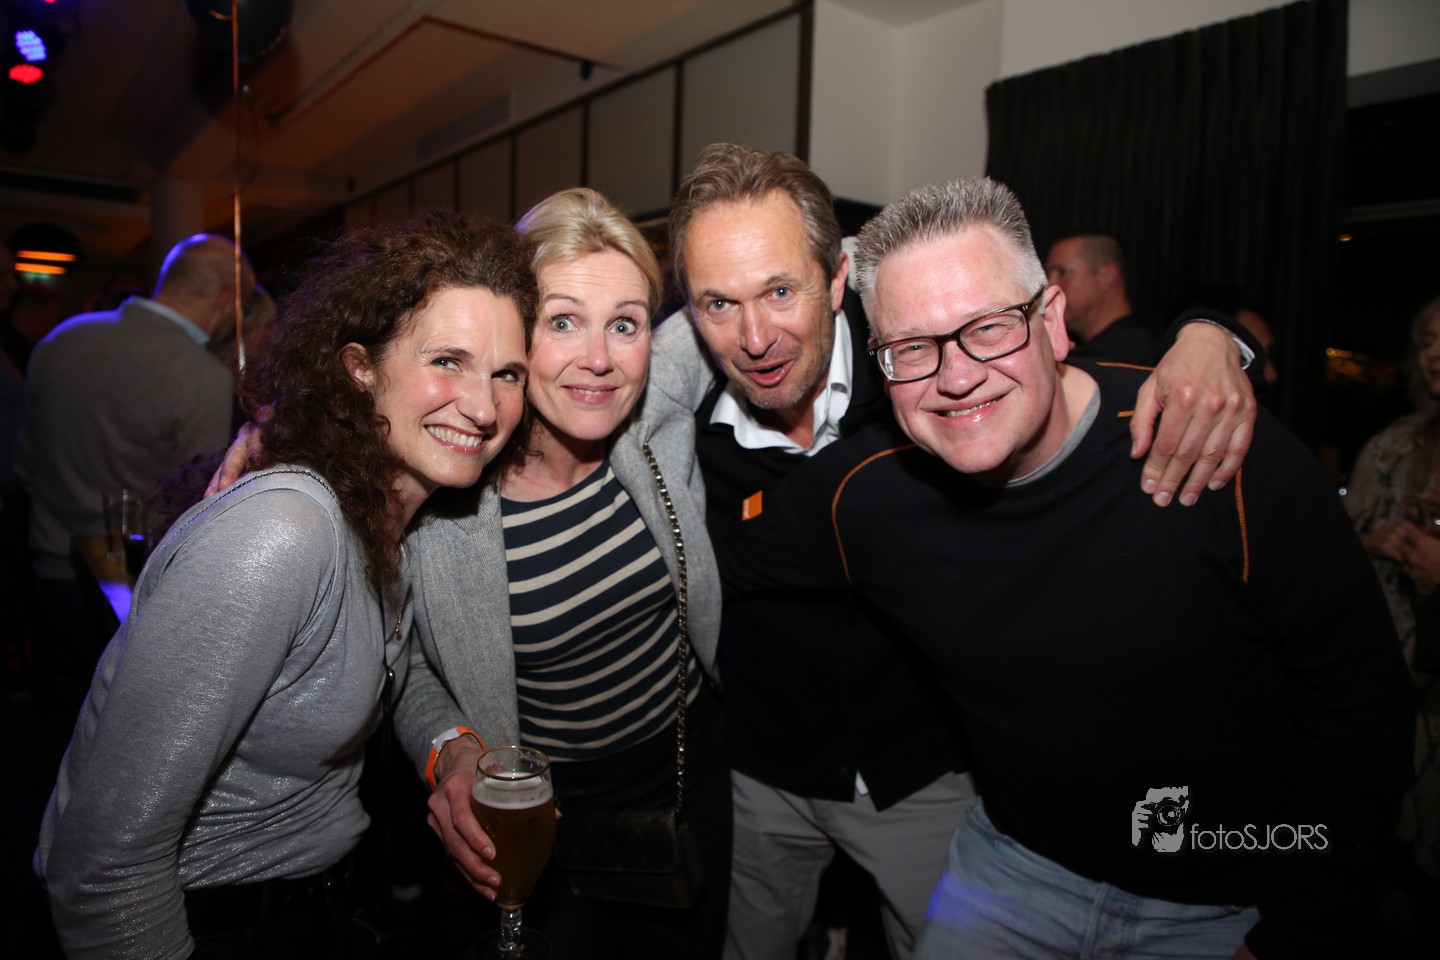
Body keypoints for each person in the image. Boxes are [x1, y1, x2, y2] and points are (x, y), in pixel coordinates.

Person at [713, 176, 1413, 959]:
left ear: (1052, 321)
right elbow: (701, 564)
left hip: (1227, 901)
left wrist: (1297, 933)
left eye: (987, 328)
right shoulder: (868, 493)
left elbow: (1363, 711)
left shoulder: (1210, 451)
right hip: (1013, 870)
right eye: (912, 347)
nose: (956, 376)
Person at [648, 143, 1262, 960]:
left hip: (927, 773)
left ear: (837, 278)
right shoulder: (677, 437)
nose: (756, 335)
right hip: (767, 772)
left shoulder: (926, 371)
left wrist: (1210, 335)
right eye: (719, 304)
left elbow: (1047, 369)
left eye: (781, 291)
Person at [33, 210, 535, 959]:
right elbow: (103, 868)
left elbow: (388, 674)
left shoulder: (388, 516)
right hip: (205, 929)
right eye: (447, 360)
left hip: (314, 910)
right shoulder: (285, 531)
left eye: (506, 374)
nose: (485, 406)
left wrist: (454, 750)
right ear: (361, 368)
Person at [395, 188, 729, 959]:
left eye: (625, 323)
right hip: (543, 811)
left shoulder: (654, 411)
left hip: (688, 774)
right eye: (563, 321)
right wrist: (452, 751)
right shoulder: (442, 490)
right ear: (513, 331)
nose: (599, 359)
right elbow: (403, 665)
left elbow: (791, 274)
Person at [15, 234, 251, 669]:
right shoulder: (200, 376)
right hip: (131, 589)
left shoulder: (61, 338)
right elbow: (199, 506)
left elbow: (25, 465)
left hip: (49, 574)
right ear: (226, 299)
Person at [1344, 292, 1440, 879]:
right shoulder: (1396, 445)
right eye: (1427, 341)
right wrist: (1376, 542)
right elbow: (1332, 546)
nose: (1435, 354)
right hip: (1395, 681)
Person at [1044, 230, 1155, 364]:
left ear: (1107, 276)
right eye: (1048, 274)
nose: (1050, 284)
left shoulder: (1124, 355)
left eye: (1063, 272)